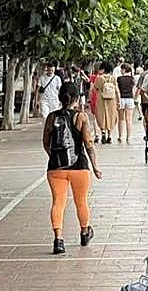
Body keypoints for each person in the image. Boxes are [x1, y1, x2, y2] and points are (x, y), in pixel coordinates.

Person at [42, 81, 102, 255]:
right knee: (81, 201)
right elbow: (88, 143)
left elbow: (46, 142)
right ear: (76, 98)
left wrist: (54, 157)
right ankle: (84, 232)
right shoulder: (81, 116)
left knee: (58, 202)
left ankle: (58, 240)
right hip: (79, 166)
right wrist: (95, 166)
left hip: (55, 168)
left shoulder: (51, 117)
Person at [94, 61, 118, 144]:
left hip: (101, 99)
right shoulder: (113, 78)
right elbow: (117, 90)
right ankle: (110, 136)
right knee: (111, 116)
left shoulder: (99, 78)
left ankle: (103, 133)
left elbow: (96, 88)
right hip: (111, 100)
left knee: (102, 116)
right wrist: (118, 101)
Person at [115, 62, 135, 143]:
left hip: (121, 99)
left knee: (121, 119)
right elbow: (133, 90)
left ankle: (120, 136)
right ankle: (128, 137)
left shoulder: (119, 79)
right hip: (130, 99)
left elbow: (117, 90)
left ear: (124, 69)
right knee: (129, 120)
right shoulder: (132, 79)